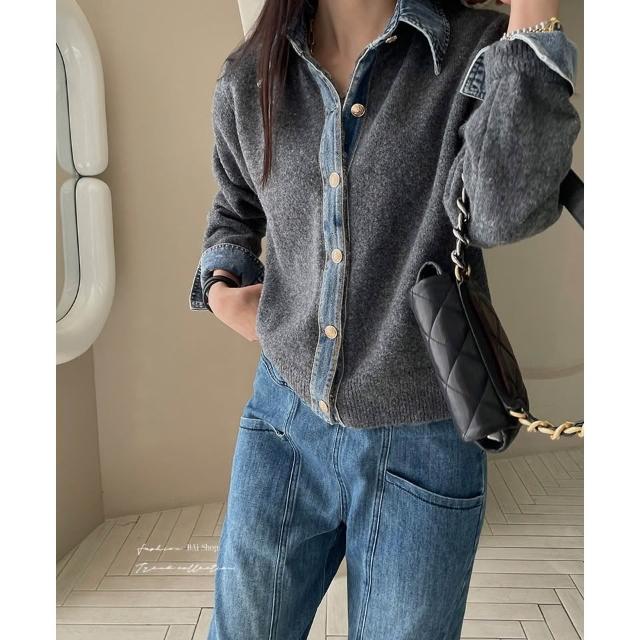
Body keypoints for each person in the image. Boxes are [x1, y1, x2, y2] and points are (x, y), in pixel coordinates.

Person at [188, 0, 580, 638]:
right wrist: (223, 285)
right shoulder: (249, 75)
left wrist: (533, 17)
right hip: (282, 421)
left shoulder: (480, 53)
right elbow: (235, 206)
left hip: (422, 438)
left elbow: (505, 210)